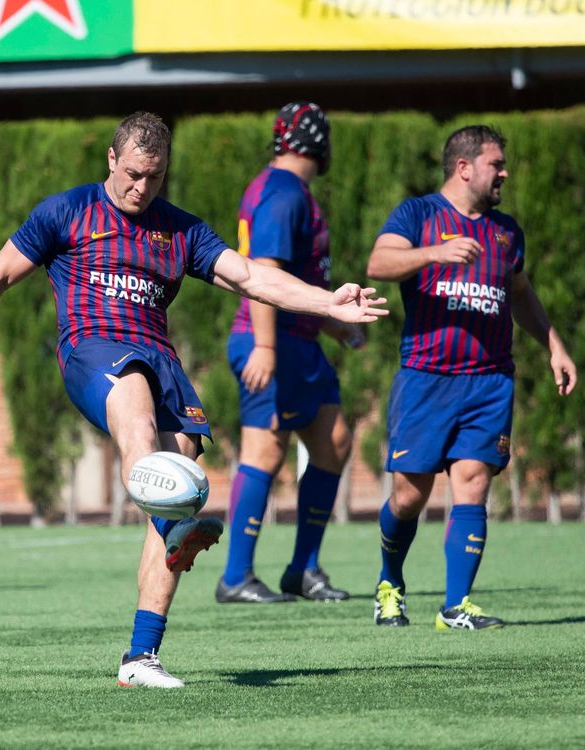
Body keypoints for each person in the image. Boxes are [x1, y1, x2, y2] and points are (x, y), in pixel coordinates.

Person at [0, 112, 387, 686]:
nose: (143, 188)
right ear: (113, 161)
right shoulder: (66, 213)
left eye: (157, 177)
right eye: (136, 174)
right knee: (139, 418)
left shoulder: (181, 230)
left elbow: (250, 277)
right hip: (94, 351)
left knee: (181, 474)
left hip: (161, 360)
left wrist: (326, 302)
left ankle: (141, 656)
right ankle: (173, 530)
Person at [366, 125, 577, 631]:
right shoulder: (417, 215)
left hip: (490, 381)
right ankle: (389, 582)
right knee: (409, 496)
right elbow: (379, 262)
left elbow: (521, 293)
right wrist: (433, 254)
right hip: (427, 377)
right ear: (464, 168)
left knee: (473, 481)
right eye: (495, 163)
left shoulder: (507, 232)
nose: (504, 172)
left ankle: (455, 606)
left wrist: (553, 344)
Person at [217, 102, 362, 604]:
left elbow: (296, 279)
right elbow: (262, 273)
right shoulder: (282, 193)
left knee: (333, 440)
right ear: (319, 144)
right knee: (265, 449)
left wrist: (332, 323)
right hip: (271, 339)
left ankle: (303, 568)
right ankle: (236, 576)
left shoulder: (282, 188)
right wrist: (264, 345)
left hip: (297, 340)